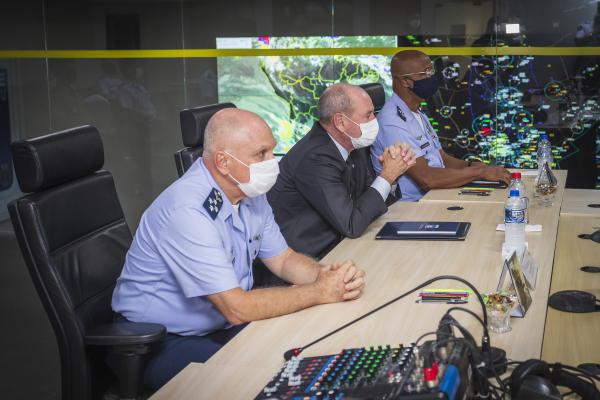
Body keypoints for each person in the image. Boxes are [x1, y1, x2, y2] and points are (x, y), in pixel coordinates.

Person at [111, 108, 366, 390]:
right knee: (257, 382)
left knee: (311, 349)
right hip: (160, 341)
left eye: (272, 151)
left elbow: (283, 260)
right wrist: (318, 292)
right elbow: (236, 308)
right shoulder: (187, 210)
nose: (273, 163)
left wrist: (327, 276)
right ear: (223, 162)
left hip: (220, 326)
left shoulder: (247, 191)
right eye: (261, 154)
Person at [268, 83, 416, 259]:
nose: (374, 121)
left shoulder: (354, 144)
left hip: (344, 246)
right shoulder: (315, 157)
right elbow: (351, 224)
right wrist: (387, 175)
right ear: (340, 122)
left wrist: (393, 175)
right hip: (309, 259)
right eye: (368, 115)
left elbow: (367, 206)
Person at [371, 50, 511, 202]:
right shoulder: (392, 122)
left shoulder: (417, 113)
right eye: (426, 72)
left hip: (436, 196)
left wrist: (473, 165)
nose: (432, 77)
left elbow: (442, 158)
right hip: (413, 208)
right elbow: (426, 179)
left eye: (432, 70)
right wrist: (479, 172)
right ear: (406, 81)